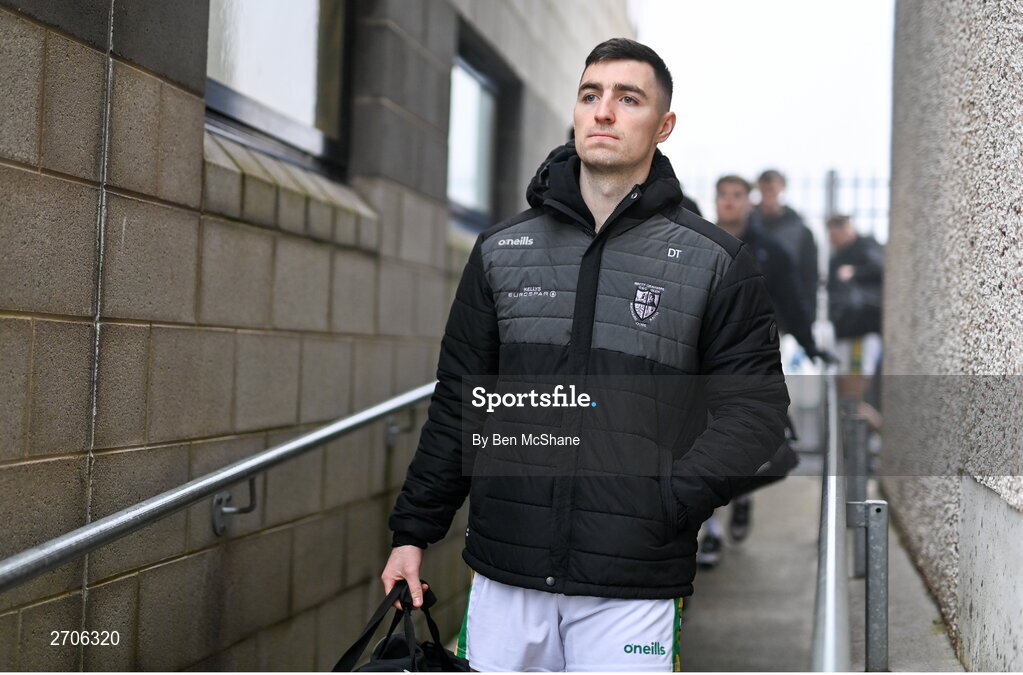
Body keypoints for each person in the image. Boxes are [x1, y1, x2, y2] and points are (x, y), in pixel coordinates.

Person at [382, 38, 790, 672]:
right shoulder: (501, 251)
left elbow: (755, 413)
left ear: (663, 125)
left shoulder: (716, 264)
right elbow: (461, 402)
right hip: (505, 569)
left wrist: (669, 499)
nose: (604, 111)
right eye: (590, 95)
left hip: (634, 581)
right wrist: (413, 531)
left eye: (629, 99)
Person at [696, 175, 833, 566]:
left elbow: (792, 299)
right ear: (717, 198)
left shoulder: (770, 250)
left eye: (738, 196)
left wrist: (808, 343)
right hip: (704, 361)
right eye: (724, 195)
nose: (730, 203)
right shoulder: (696, 240)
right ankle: (713, 532)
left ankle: (741, 500)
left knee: (743, 435)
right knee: (705, 438)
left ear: (748, 200)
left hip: (752, 359)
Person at [826, 214, 884, 429]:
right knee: (846, 403)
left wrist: (855, 272)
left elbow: (880, 269)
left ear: (848, 228)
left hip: (860, 332)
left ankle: (887, 437)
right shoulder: (836, 257)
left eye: (837, 233)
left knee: (852, 402)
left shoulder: (865, 247)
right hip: (844, 333)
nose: (834, 239)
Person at [752, 169, 819, 325]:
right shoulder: (746, 225)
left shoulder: (799, 231)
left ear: (782, 188)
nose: (769, 193)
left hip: (786, 309)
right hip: (751, 306)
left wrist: (808, 315)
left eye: (772, 189)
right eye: (765, 188)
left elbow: (809, 274)